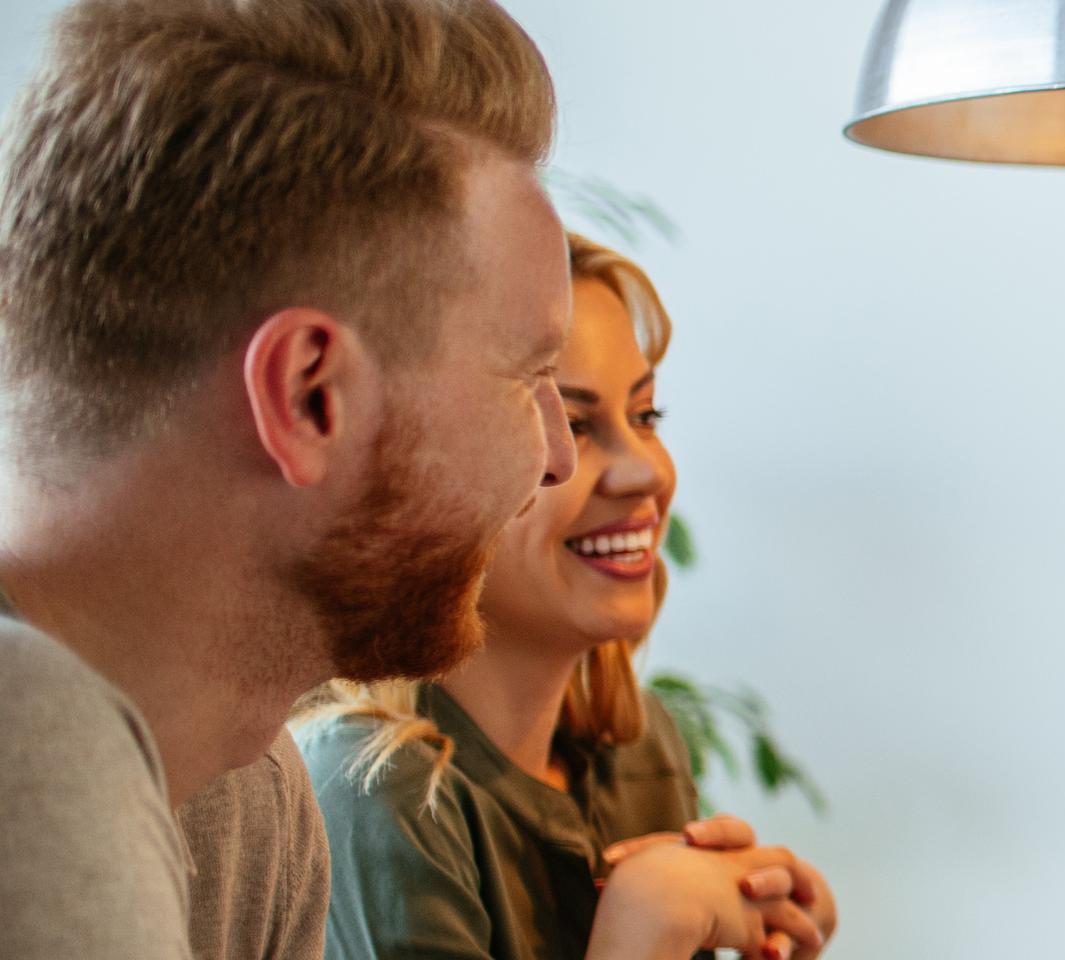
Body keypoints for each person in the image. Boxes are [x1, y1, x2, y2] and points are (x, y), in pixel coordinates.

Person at [0, 2, 809, 958]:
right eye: (528, 379)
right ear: (311, 398)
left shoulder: (253, 805)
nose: (552, 456)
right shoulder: (28, 740)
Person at [299, 234, 840, 960]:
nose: (644, 473)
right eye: (577, 427)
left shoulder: (640, 749)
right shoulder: (375, 789)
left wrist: (752, 917)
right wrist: (645, 929)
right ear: (412, 472)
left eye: (646, 417)